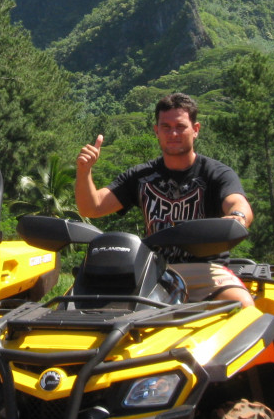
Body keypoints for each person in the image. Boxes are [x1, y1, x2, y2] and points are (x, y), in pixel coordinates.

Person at [75, 92, 255, 307]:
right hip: (154, 270)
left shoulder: (215, 173)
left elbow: (238, 203)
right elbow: (92, 208)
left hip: (206, 270)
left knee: (242, 305)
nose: (173, 133)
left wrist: (237, 217)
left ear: (195, 130)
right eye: (166, 127)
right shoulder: (141, 176)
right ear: (157, 131)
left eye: (180, 126)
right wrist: (84, 171)